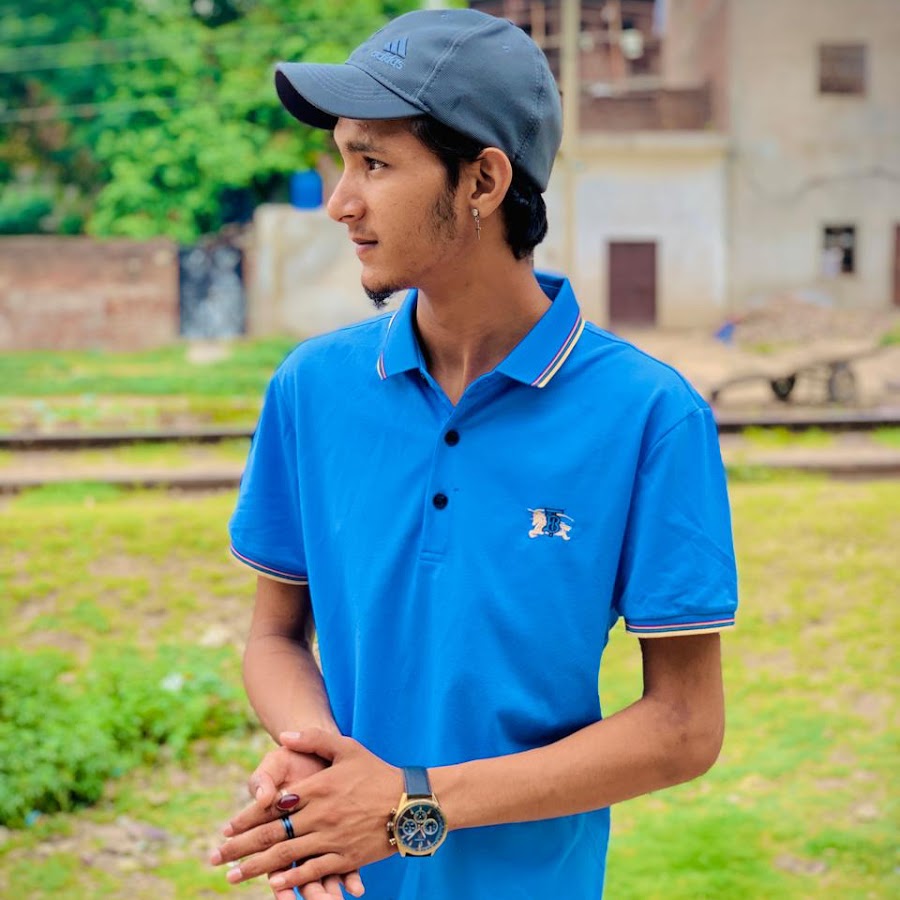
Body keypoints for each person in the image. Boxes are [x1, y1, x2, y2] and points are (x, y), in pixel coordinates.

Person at [210, 8, 738, 900]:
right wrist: (313, 753)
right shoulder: (311, 388)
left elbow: (685, 725)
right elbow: (274, 636)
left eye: (375, 164)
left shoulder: (649, 415)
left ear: (484, 181)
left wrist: (411, 804)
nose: (341, 201)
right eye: (342, 160)